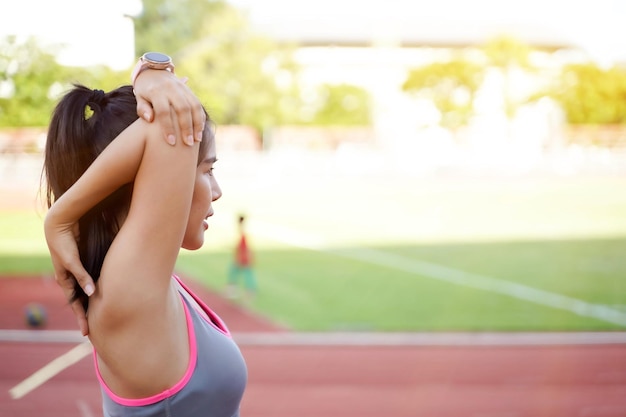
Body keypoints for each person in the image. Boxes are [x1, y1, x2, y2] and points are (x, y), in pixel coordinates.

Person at [43, 55, 247, 417]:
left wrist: (150, 78)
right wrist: (151, 76)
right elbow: (166, 126)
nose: (216, 190)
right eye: (206, 169)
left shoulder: (144, 278)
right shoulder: (129, 285)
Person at [226, 214, 258, 300]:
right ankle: (247, 291)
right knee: (245, 274)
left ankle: (244, 291)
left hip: (242, 259)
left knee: (239, 273)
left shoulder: (242, 233)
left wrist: (241, 258)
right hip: (243, 258)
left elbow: (243, 248)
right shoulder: (242, 231)